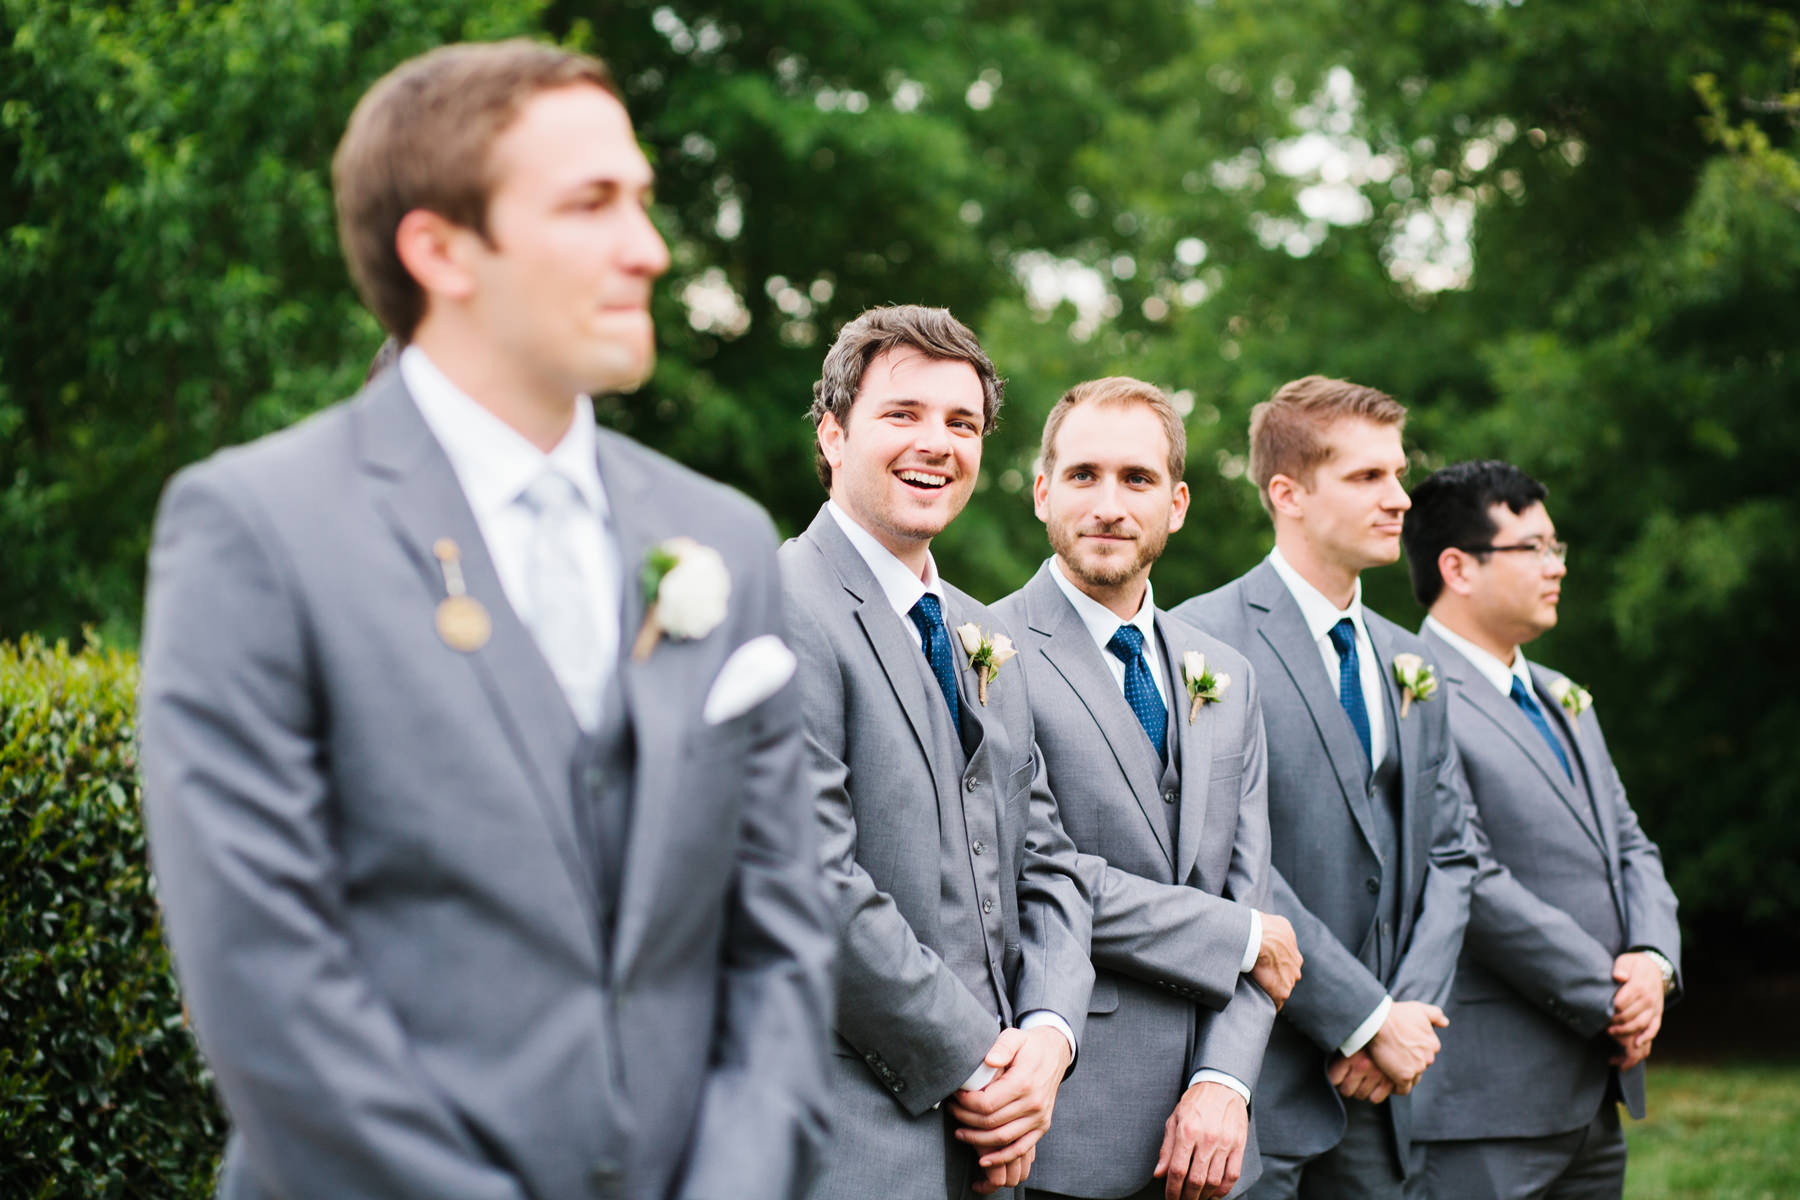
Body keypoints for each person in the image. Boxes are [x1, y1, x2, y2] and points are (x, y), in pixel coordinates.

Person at [139, 40, 833, 1200]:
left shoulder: (721, 536)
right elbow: (263, 977)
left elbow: (782, 946)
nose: (649, 249)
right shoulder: (254, 528)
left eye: (644, 202)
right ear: (440, 248)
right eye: (591, 204)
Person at [780, 305, 1094, 1199]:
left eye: (962, 424)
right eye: (903, 414)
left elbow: (1051, 863)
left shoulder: (981, 633)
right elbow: (812, 879)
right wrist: (978, 1061)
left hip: (1005, 1140)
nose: (938, 443)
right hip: (851, 1137)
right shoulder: (779, 605)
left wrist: (1048, 1035)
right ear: (834, 435)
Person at [994, 377, 1299, 1200]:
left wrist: (1224, 1084)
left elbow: (1254, 888)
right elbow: (1034, 871)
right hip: (1064, 1134)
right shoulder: (985, 653)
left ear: (1178, 503)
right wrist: (1237, 935)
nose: (1108, 504)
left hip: (1219, 1144)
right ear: (1041, 492)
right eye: (1084, 475)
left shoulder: (1226, 674)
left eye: (1137, 479)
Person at [1174, 375, 1478, 1200]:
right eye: (1367, 477)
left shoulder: (1409, 657)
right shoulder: (1197, 640)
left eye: (1398, 473)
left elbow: (1453, 852)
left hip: (1386, 1098)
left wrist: (1400, 1021)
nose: (1400, 499)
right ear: (1288, 493)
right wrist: (1363, 1017)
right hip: (1251, 1081)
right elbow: (1222, 860)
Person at [1400, 460, 1681, 1199]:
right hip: (1487, 1100)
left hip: (1594, 1089)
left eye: (1557, 547)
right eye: (1533, 549)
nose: (1555, 567)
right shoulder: (1412, 689)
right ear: (1457, 567)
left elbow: (1628, 841)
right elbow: (1469, 877)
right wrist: (1610, 995)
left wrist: (1653, 961)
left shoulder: (1561, 694)